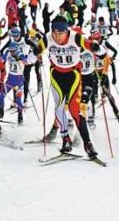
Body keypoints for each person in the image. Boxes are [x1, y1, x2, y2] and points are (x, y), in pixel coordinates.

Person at [42, 16, 99, 158]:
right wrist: (30, 58)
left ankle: (87, 142)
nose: (57, 36)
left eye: (60, 33)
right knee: (59, 107)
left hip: (76, 76)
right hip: (57, 74)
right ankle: (65, 139)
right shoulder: (48, 39)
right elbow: (36, 50)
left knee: (76, 109)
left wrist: (98, 50)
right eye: (54, 33)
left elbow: (92, 46)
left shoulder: (77, 39)